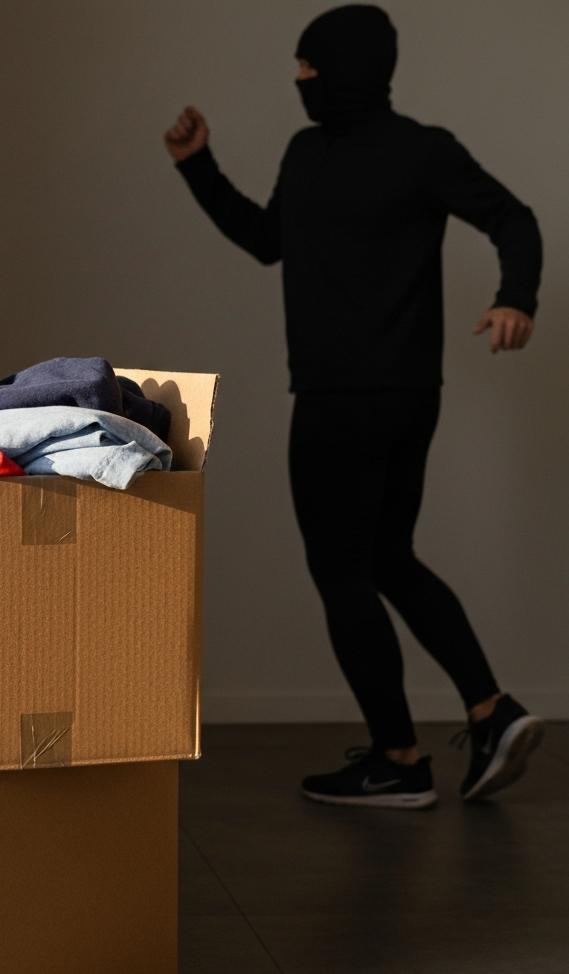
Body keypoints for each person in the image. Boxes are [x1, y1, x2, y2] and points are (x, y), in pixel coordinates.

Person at [166, 4, 544, 808]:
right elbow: (271, 241)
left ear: (338, 70)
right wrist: (200, 165)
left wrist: (517, 297)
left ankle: (399, 760)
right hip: (412, 396)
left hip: (340, 399)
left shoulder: (404, 151)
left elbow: (513, 220)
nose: (298, 81)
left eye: (306, 67)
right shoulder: (341, 154)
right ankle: (491, 709)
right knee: (388, 559)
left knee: (342, 570)